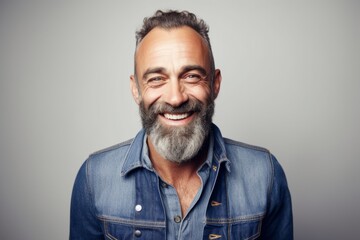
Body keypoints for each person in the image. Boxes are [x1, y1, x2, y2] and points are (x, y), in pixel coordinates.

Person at [70, 10, 293, 239]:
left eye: (192, 76)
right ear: (136, 89)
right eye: (156, 79)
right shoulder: (94, 178)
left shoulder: (265, 174)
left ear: (215, 84)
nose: (176, 98)